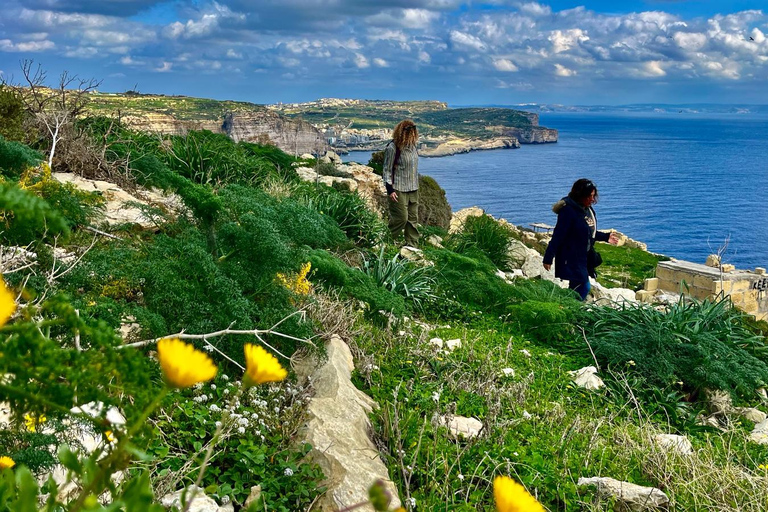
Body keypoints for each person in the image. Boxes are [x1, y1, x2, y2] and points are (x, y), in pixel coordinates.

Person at [542, 178, 619, 300]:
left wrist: (605, 237)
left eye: (594, 196)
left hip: (583, 257)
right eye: (590, 196)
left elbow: (587, 232)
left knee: (576, 287)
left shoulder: (586, 209)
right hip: (572, 257)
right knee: (584, 286)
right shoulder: (568, 211)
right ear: (580, 195)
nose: (593, 199)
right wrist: (548, 257)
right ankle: (571, 309)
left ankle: (566, 308)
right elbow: (558, 235)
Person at [382, 119, 420, 247]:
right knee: (401, 218)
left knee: (412, 219)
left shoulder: (413, 147)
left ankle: (412, 245)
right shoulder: (392, 148)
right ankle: (386, 241)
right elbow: (386, 170)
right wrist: (390, 190)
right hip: (398, 188)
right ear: (402, 133)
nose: (413, 135)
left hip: (413, 188)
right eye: (411, 133)